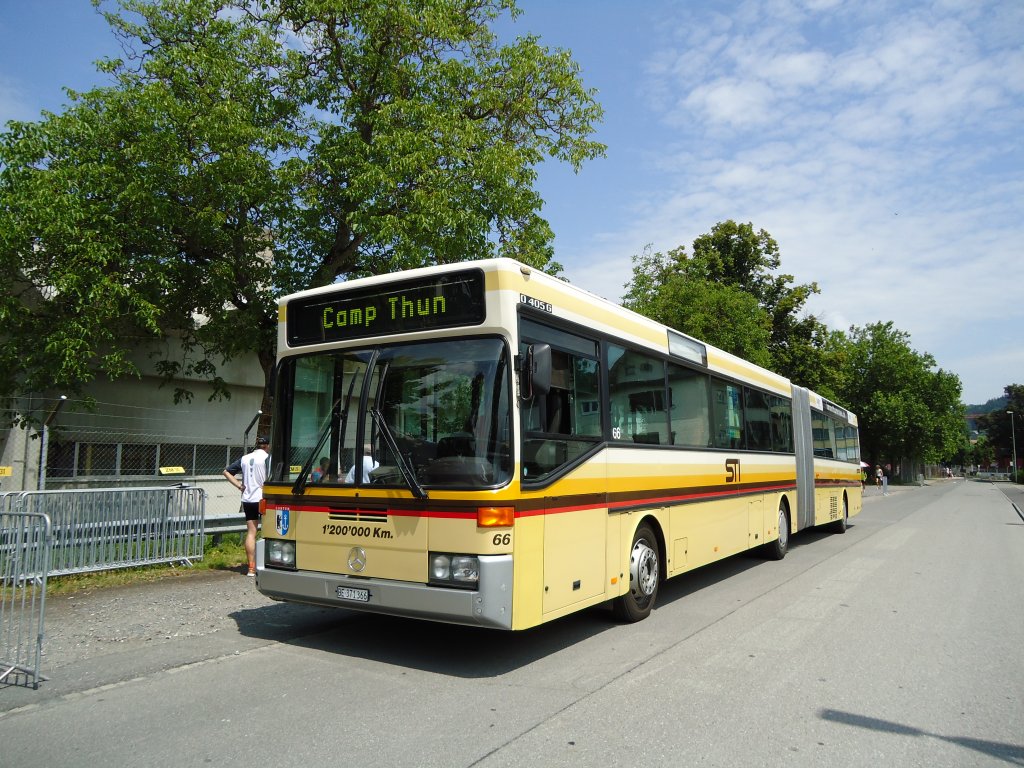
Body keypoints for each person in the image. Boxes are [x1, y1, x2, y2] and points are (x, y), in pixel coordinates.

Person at [223, 436, 270, 576]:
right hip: (264, 498)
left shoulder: (245, 458)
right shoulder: (268, 458)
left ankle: (251, 568)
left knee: (251, 532)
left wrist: (239, 486)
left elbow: (226, 472)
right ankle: (268, 565)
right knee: (268, 531)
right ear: (267, 445)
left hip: (248, 499)